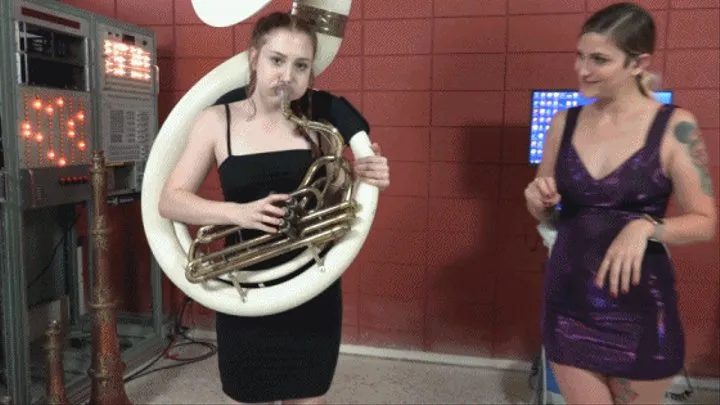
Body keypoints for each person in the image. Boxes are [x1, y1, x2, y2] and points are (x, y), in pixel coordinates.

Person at [158, 11, 390, 405]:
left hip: (311, 285)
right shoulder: (216, 120)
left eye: (301, 66)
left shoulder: (321, 123)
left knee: (308, 396)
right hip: (247, 289)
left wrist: (359, 175)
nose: (287, 75)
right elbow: (170, 200)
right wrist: (238, 214)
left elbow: (333, 200)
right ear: (254, 58)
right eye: (277, 60)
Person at [524, 2, 717, 404]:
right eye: (579, 56)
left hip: (640, 310)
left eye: (599, 60)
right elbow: (544, 208)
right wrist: (537, 199)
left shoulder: (674, 126)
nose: (583, 69)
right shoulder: (565, 122)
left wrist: (646, 226)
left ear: (637, 63)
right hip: (568, 301)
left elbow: (704, 221)